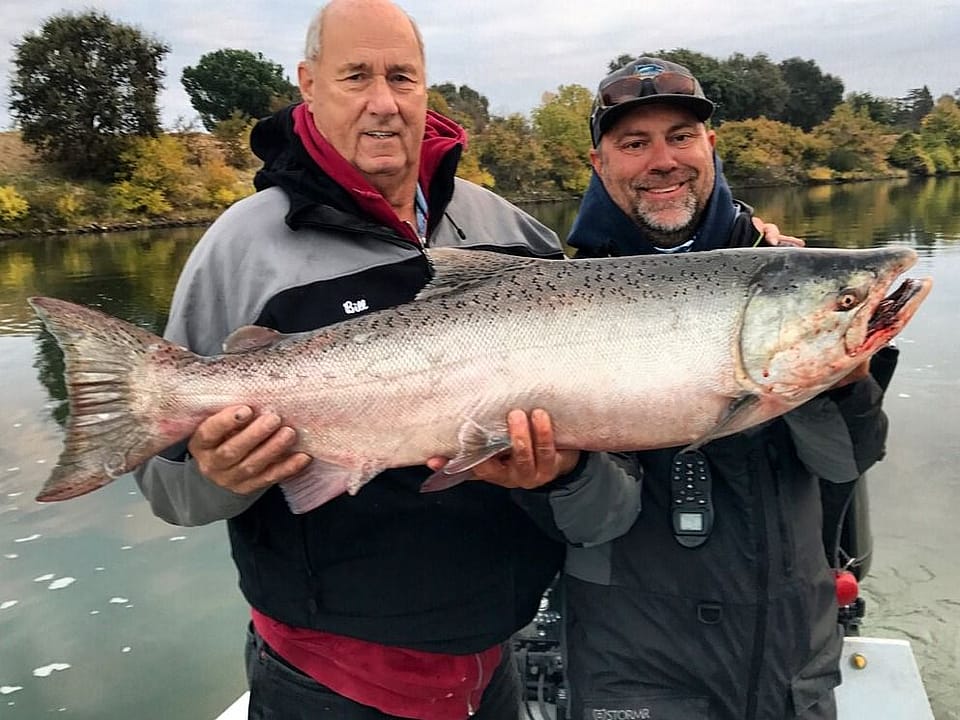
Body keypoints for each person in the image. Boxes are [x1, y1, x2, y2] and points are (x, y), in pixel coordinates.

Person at [134, 2, 641, 719]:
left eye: (402, 77)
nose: (383, 102)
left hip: (496, 661)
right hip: (325, 684)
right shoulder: (239, 250)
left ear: (427, 89)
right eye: (355, 76)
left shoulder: (513, 234)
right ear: (308, 84)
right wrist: (219, 477)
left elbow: (600, 469)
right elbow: (169, 490)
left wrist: (560, 474)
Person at [550, 57, 892, 720]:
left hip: (794, 660)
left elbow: (846, 461)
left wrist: (845, 379)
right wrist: (553, 474)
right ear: (599, 163)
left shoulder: (794, 280)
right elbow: (594, 521)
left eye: (680, 135)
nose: (662, 160)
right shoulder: (559, 305)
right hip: (637, 671)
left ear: (711, 145)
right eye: (633, 142)